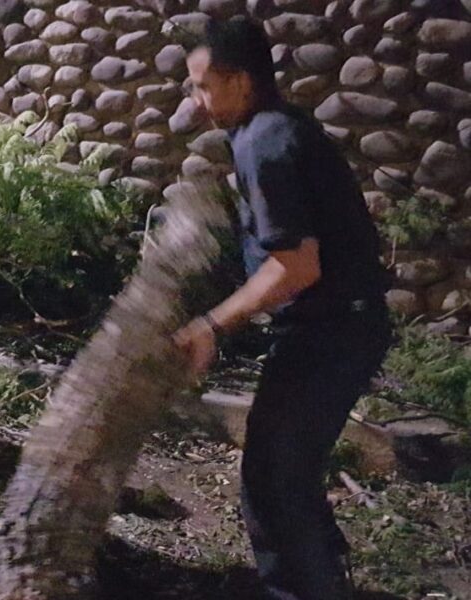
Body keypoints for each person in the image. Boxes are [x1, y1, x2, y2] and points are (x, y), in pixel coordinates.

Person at [172, 17, 391, 600]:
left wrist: (211, 325)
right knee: (287, 473)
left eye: (201, 86)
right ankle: (326, 577)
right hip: (336, 326)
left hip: (332, 331)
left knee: (272, 481)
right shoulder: (275, 129)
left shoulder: (266, 140)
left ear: (240, 81)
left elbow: (297, 266)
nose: (196, 102)